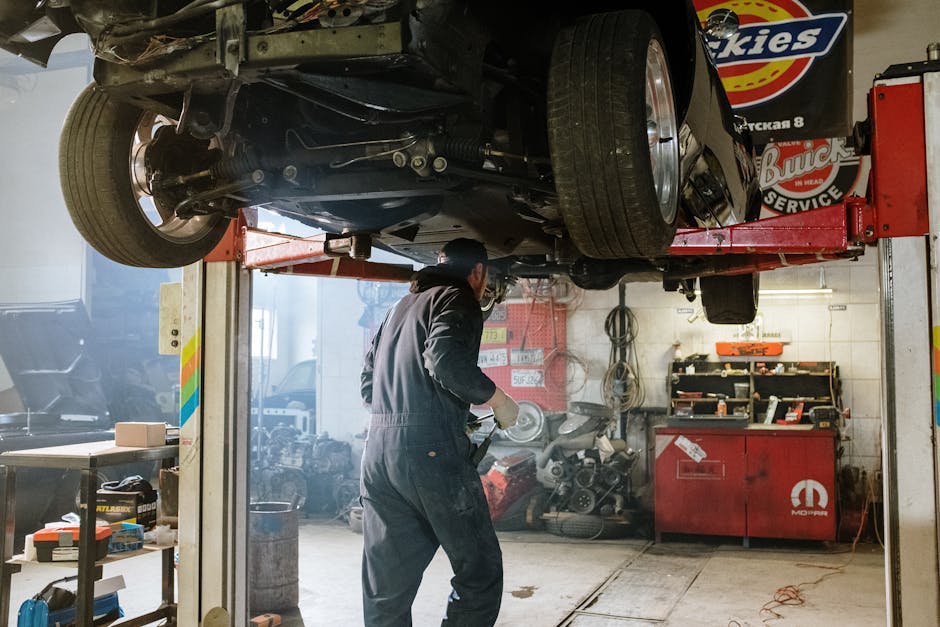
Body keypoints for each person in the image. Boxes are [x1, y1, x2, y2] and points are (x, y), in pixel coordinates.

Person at [359, 237, 520, 627]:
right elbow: (445, 361)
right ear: (478, 273)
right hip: (429, 456)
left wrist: (424, 412)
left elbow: (368, 384)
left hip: (378, 454)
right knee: (479, 571)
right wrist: (497, 399)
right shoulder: (457, 297)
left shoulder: (399, 308)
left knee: (387, 584)